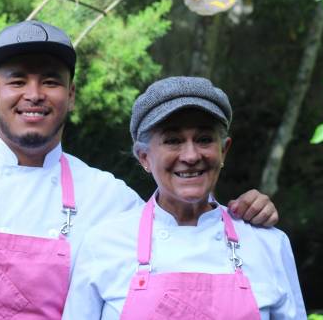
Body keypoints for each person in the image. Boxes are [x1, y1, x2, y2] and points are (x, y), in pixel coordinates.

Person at [0, 21, 279, 319]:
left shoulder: (110, 200)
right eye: (17, 80)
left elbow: (187, 243)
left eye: (51, 81)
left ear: (71, 95)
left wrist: (243, 213)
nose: (34, 94)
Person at [62, 76, 306, 319]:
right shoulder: (103, 244)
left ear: (224, 150)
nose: (190, 155)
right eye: (173, 141)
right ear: (144, 157)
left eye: (203, 139)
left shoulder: (268, 244)